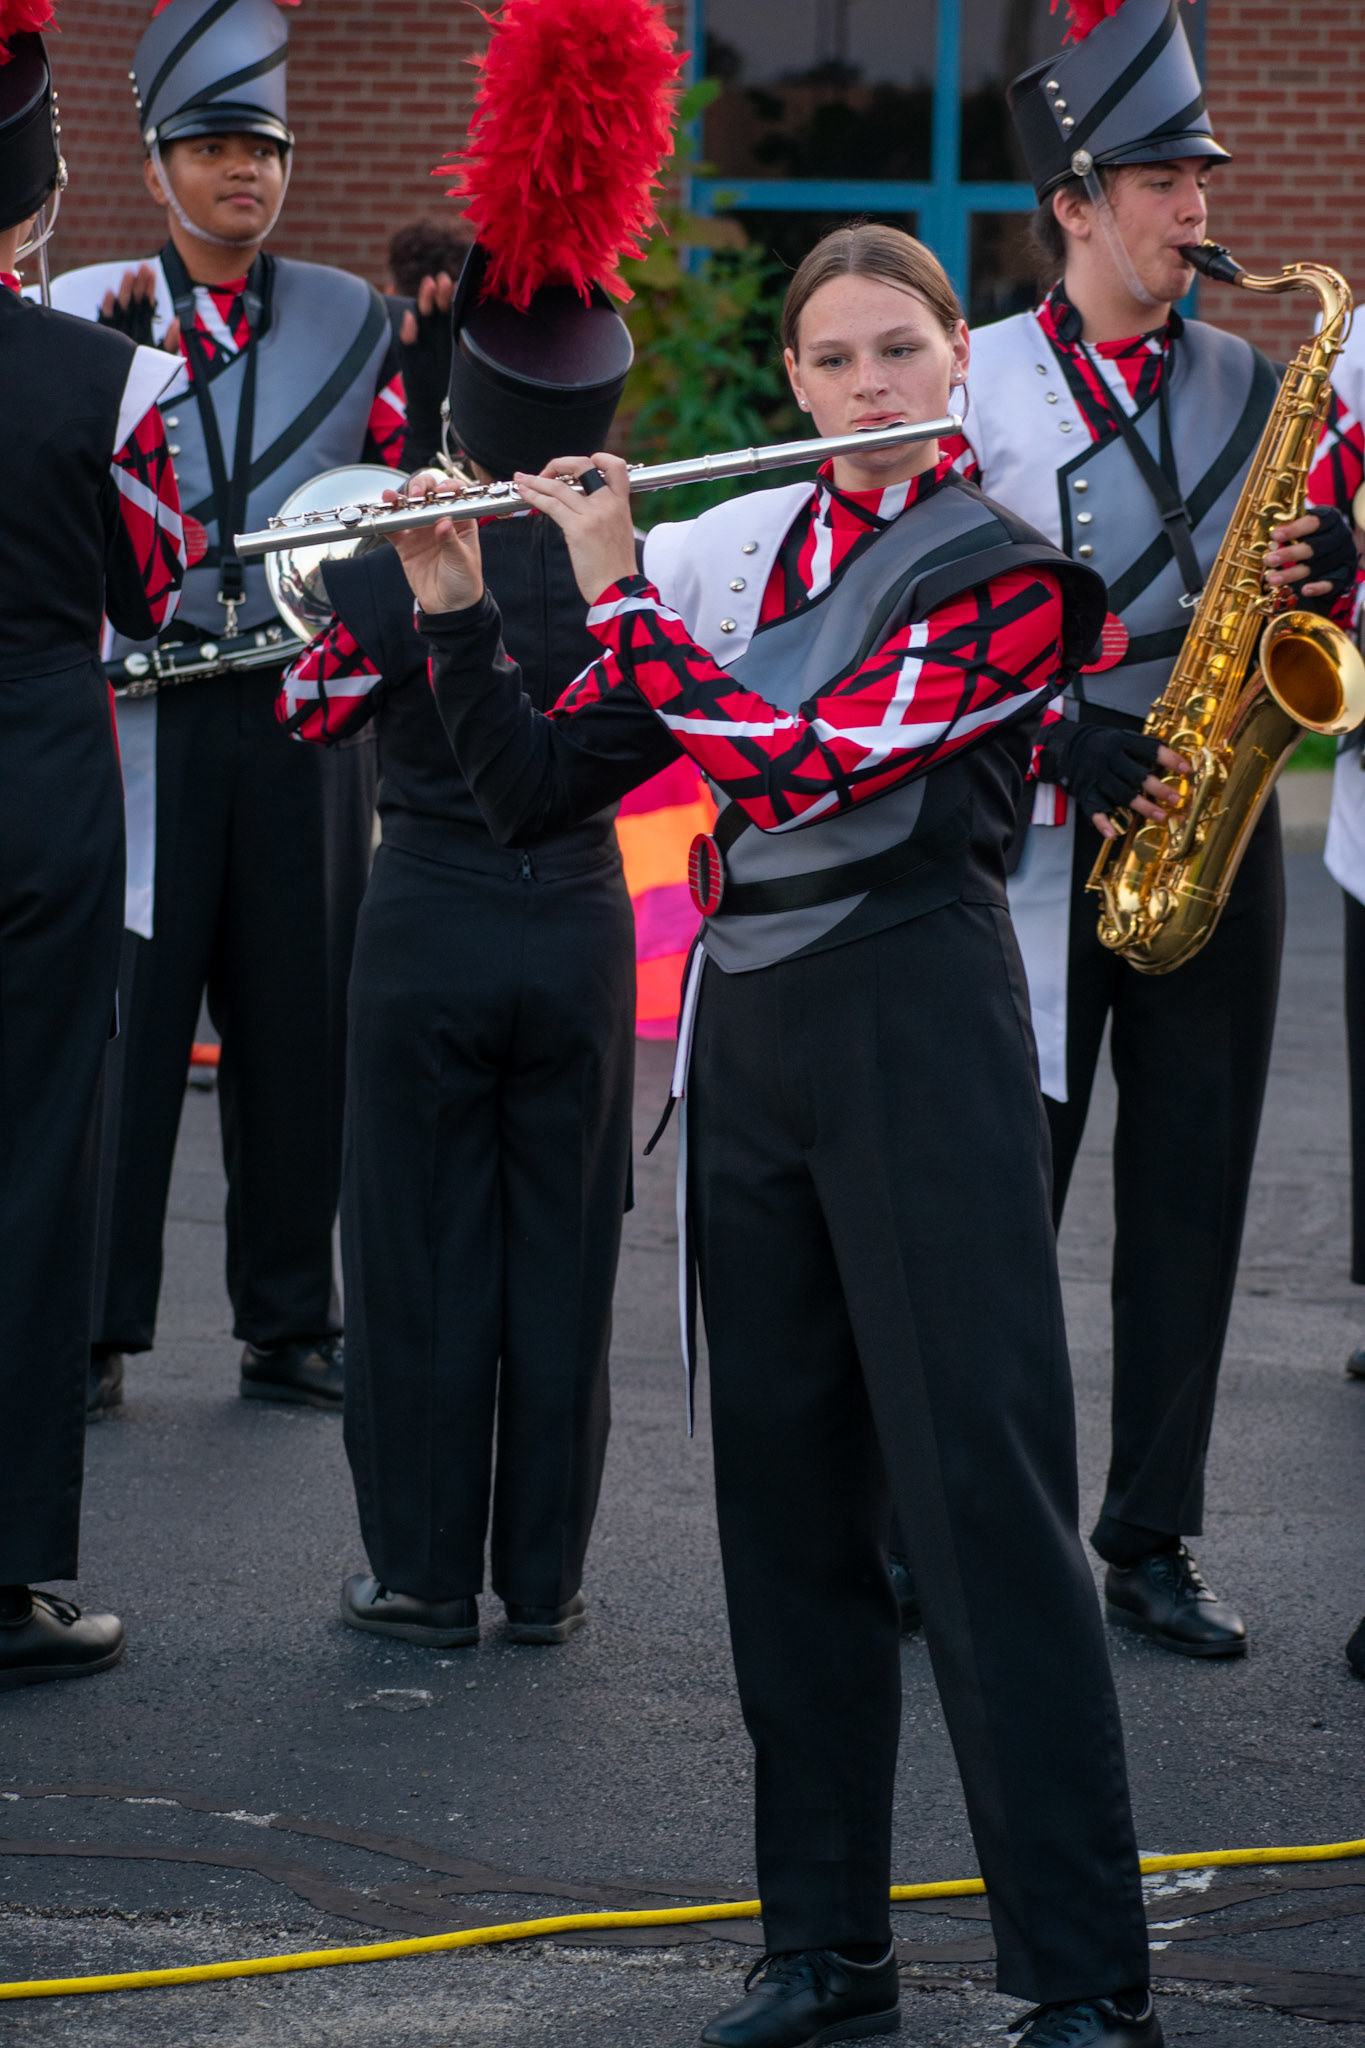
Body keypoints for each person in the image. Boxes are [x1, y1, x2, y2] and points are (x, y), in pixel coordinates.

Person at [396, 222, 1162, 2048]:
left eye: (900, 349)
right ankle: (823, 1949)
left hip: (921, 1032)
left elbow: (799, 766)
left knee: (980, 1509)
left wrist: (617, 593)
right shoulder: (737, 554)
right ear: (796, 384)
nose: (868, 384)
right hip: (751, 1048)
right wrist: (450, 607)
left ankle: (1083, 1978)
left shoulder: (1011, 577)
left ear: (957, 361)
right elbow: (532, 790)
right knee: (786, 1504)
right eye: (834, 359)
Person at [948, 0, 1359, 1660]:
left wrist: (1332, 570)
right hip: (1036, 821)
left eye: (1201, 179)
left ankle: (1150, 1532)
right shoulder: (972, 378)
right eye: (1160, 181)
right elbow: (911, 614)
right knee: (1002, 1200)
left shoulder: (1255, 377)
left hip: (1214, 803)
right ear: (1072, 203)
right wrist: (1046, 730)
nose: (1196, 208)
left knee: (1192, 1195)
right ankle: (954, 1525)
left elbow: (1300, 582)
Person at [274, 0, 682, 1644]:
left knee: (419, 1255)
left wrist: (373, 573)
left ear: (458, 415)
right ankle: (545, 1580)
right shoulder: (629, 573)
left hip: (428, 925)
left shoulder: (395, 560)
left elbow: (308, 714)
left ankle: (424, 1575)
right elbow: (661, 731)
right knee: (562, 1257)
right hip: (576, 933)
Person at [47, 0, 439, 1420]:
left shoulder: (352, 315)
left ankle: (289, 1319)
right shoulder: (78, 306)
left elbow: (398, 488)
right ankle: (92, 1324)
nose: (243, 173)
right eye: (213, 148)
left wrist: (439, 375)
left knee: (299, 1015)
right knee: (126, 1025)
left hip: (300, 715)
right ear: (154, 165)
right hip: (138, 719)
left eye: (264, 149)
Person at [0, 0, 185, 1686]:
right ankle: (3, 1577)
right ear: (39, 200)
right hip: (40, 787)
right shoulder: (112, 374)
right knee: (32, 1158)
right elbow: (160, 584)